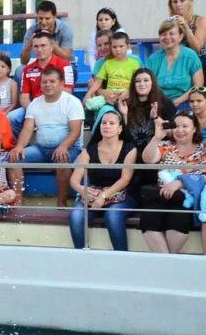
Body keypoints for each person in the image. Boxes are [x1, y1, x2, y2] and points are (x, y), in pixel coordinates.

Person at [8, 66, 84, 208]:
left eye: (52, 81)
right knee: (13, 159)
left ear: (61, 84)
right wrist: (19, 146)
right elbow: (27, 129)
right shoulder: (35, 103)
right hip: (41, 149)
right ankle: (17, 203)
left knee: (63, 161)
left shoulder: (72, 102)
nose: (48, 85)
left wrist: (63, 146)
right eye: (44, 82)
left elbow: (76, 132)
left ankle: (61, 203)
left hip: (68, 148)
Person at [66, 108, 136, 251]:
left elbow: (125, 179)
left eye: (111, 123)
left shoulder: (130, 148)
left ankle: (122, 258)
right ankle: (81, 256)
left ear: (120, 128)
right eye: (104, 123)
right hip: (94, 194)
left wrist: (104, 195)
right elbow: (74, 180)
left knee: (112, 216)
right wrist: (82, 189)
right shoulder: (90, 149)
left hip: (123, 195)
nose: (107, 126)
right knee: (76, 215)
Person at [140, 112, 205, 254]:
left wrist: (180, 183)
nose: (179, 130)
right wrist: (156, 138)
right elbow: (147, 159)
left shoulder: (203, 149)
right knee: (148, 218)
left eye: (185, 126)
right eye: (176, 126)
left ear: (195, 128)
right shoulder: (165, 145)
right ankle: (169, 264)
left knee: (178, 219)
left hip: (186, 198)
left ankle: (166, 265)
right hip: (161, 195)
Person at [10, 32, 76, 136]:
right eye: (36, 46)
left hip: (58, 106)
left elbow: (68, 91)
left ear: (52, 46)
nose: (39, 50)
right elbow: (24, 98)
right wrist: (35, 111)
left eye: (43, 45)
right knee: (12, 117)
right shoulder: (28, 69)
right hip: (35, 107)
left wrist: (49, 110)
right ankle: (22, 147)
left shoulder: (65, 65)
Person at [145, 18, 203, 109]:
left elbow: (198, 86)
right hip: (159, 104)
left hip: (185, 104)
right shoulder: (153, 59)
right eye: (163, 34)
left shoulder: (190, 56)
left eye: (172, 33)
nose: (167, 37)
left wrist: (176, 102)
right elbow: (145, 84)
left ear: (180, 36)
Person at [84, 32, 141, 115]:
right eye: (114, 47)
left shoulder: (135, 63)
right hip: (110, 97)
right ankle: (93, 124)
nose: (118, 50)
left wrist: (128, 92)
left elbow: (138, 82)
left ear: (128, 46)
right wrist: (88, 94)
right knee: (91, 104)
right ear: (111, 47)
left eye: (121, 46)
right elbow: (98, 82)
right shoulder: (107, 63)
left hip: (128, 96)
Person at [19, 0, 74, 66]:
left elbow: (66, 58)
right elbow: (23, 62)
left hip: (63, 65)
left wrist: (50, 41)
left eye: (47, 18)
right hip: (41, 65)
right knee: (19, 71)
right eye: (40, 18)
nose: (44, 22)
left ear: (55, 16)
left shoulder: (65, 29)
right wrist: (29, 44)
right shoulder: (32, 30)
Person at [168, 0, 206, 72]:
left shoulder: (200, 20)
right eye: (175, 2)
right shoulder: (170, 23)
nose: (178, 4)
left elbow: (197, 47)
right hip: (180, 65)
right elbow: (166, 48)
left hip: (201, 64)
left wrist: (185, 26)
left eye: (182, 1)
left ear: (190, 2)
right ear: (171, 5)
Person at [86, 7, 123, 71]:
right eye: (100, 20)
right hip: (100, 65)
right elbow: (92, 53)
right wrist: (94, 71)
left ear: (113, 21)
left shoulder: (120, 32)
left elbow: (126, 52)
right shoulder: (94, 34)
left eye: (106, 19)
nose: (103, 22)